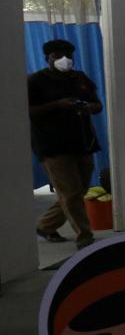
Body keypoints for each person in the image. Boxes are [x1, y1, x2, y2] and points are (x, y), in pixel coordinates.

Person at [28, 38, 103, 249]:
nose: (64, 60)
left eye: (68, 56)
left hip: (82, 140)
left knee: (78, 190)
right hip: (51, 144)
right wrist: (57, 105)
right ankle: (85, 236)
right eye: (58, 56)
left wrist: (88, 107)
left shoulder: (80, 78)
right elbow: (27, 110)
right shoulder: (35, 81)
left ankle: (45, 225)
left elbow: (98, 104)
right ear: (48, 58)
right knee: (70, 191)